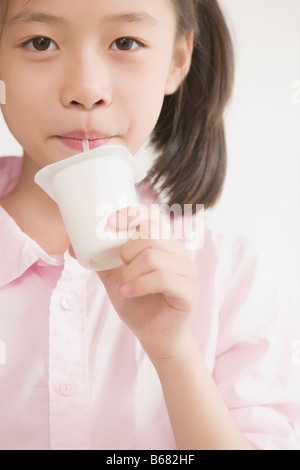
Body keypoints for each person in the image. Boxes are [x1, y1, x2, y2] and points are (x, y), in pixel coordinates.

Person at [0, 0, 298, 451]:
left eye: (126, 42)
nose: (87, 89)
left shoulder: (231, 274)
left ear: (177, 60)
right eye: (40, 42)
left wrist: (175, 355)